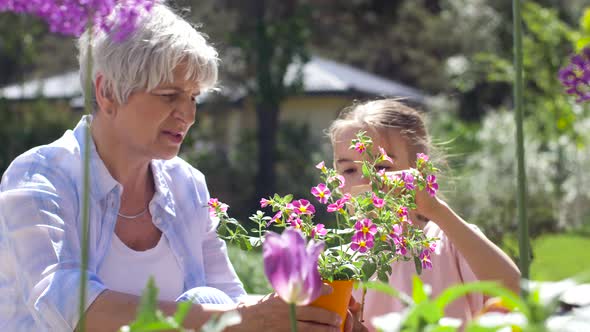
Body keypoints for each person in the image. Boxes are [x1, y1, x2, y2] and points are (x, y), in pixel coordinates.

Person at [0, 3, 352, 331]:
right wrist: (242, 317)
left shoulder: (186, 184)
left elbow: (227, 298)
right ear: (107, 92)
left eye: (193, 97)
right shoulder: (39, 177)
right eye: (169, 95)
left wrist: (303, 313)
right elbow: (69, 306)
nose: (188, 114)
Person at [327, 99, 521, 330]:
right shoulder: (339, 263)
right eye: (349, 170)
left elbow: (513, 290)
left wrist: (435, 209)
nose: (366, 180)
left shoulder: (450, 241)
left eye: (381, 167)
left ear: (418, 170)